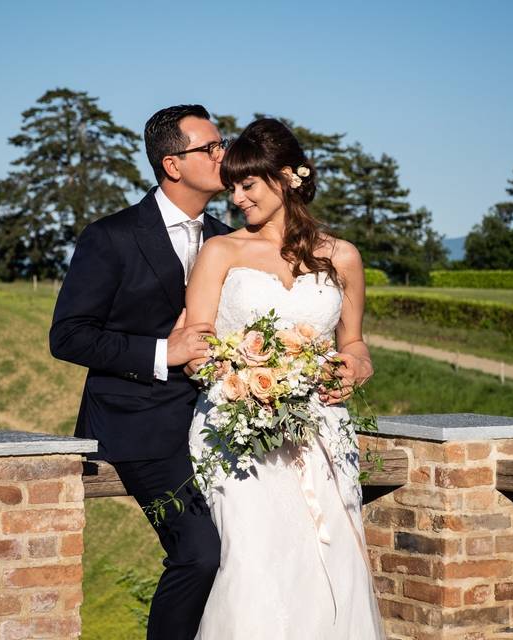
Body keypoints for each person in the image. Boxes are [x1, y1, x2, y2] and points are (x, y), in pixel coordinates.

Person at [184, 118, 387, 638]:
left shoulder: (342, 257)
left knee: (331, 560)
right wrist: (244, 376)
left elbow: (354, 343)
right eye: (230, 187)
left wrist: (357, 369)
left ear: (285, 177)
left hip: (320, 427)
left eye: (246, 184)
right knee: (256, 561)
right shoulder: (221, 252)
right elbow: (196, 344)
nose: (236, 199)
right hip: (236, 428)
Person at [49, 104, 234, 640]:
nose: (224, 155)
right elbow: (68, 336)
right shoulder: (111, 236)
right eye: (211, 148)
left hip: (226, 423)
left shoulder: (230, 239)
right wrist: (163, 352)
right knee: (200, 552)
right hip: (139, 426)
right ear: (173, 164)